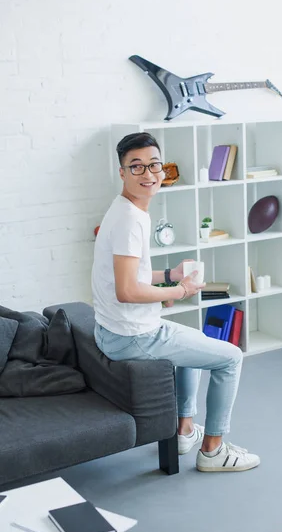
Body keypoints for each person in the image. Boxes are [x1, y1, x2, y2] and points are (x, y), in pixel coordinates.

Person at [92, 132, 260, 473]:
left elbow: (129, 276)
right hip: (132, 336)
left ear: (163, 169)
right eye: (136, 167)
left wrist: (169, 273)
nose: (148, 174)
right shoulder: (130, 221)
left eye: (154, 165)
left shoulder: (125, 209)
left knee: (192, 345)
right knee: (230, 357)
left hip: (117, 329)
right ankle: (213, 451)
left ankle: (184, 431)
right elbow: (127, 291)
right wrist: (179, 290)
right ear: (122, 172)